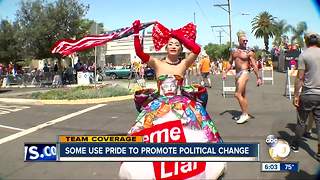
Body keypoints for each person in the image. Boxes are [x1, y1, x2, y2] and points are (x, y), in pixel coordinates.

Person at [119, 20, 225, 179]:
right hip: (158, 105)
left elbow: (196, 49)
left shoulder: (183, 64)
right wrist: (135, 33)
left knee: (199, 128)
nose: (174, 46)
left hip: (182, 104)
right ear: (166, 47)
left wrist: (178, 35)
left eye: (177, 44)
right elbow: (140, 53)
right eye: (170, 43)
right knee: (142, 131)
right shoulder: (156, 63)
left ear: (181, 47)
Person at [291, 32, 320, 161]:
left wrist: (296, 95)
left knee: (301, 122)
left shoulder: (304, 55)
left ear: (307, 41)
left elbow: (300, 78)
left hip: (308, 94)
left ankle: (295, 145)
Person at [223, 31, 262, 124]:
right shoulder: (234, 51)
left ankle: (244, 115)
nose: (245, 42)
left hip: (244, 73)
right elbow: (229, 62)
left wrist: (258, 77)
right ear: (239, 41)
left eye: (246, 41)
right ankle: (245, 113)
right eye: (244, 40)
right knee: (243, 96)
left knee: (237, 94)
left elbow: (254, 65)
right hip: (237, 74)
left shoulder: (249, 52)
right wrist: (225, 71)